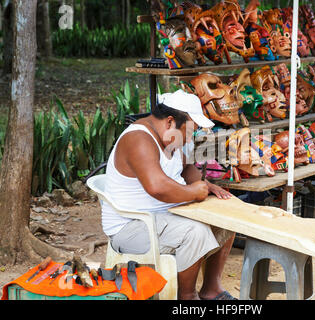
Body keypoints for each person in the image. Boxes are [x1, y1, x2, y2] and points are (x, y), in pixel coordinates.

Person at [101, 89, 236, 300]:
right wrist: (192, 192)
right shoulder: (139, 139)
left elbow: (185, 166)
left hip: (163, 217)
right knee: (195, 232)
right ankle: (187, 297)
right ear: (171, 122)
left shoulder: (169, 137)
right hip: (131, 228)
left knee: (226, 219)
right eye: (190, 131)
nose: (192, 137)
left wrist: (203, 184)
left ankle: (211, 288)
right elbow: (157, 187)